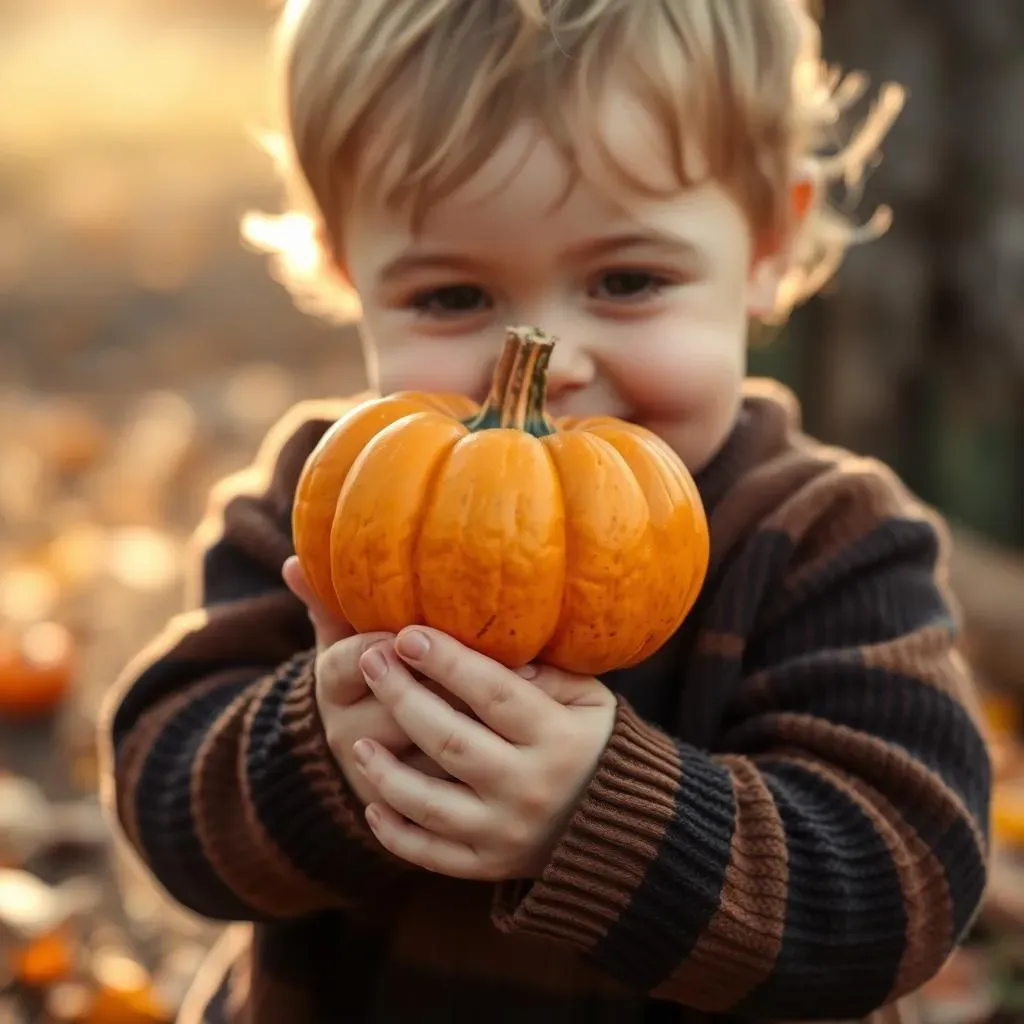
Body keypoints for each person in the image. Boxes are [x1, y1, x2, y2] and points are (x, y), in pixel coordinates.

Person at [100, 1, 992, 1022]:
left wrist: (599, 815)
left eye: (626, 280)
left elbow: (902, 884)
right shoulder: (331, 498)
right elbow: (165, 794)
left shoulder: (824, 539)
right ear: (345, 271)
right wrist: (323, 752)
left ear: (766, 245)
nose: (548, 362)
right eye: (450, 296)